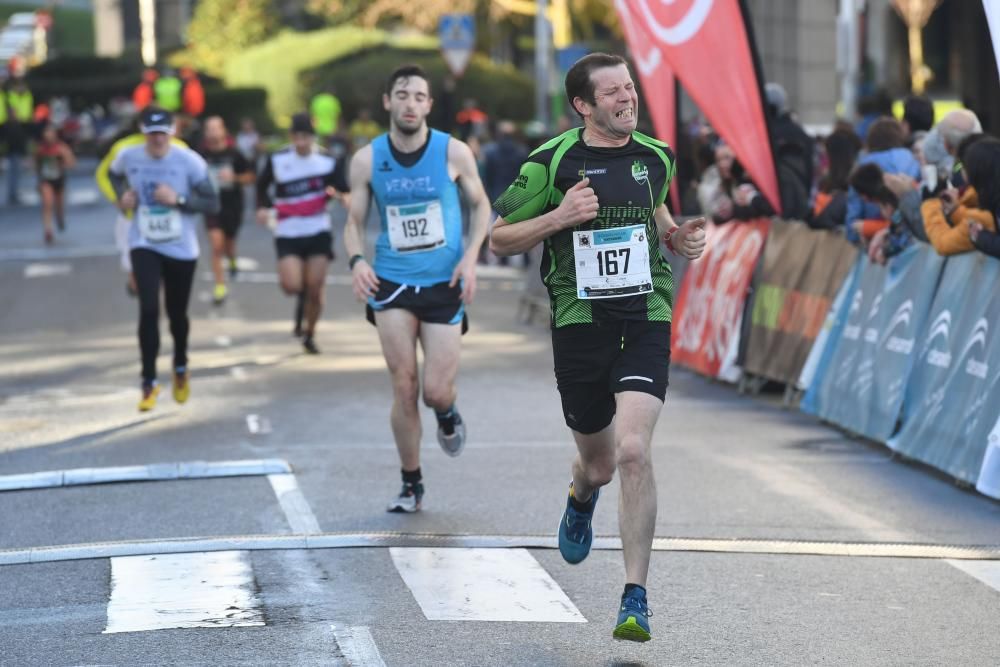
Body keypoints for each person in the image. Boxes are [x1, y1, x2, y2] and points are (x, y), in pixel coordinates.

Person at [489, 53, 707, 643]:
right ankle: (580, 494)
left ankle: (635, 595)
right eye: (612, 92)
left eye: (630, 88)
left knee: (634, 449)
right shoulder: (552, 161)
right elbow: (498, 235)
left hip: (644, 312)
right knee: (602, 463)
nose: (626, 98)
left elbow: (653, 204)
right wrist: (559, 217)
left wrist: (672, 235)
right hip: (580, 322)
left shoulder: (656, 156)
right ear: (584, 105)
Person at [342, 64, 490, 514]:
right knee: (404, 386)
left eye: (419, 96)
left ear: (428, 105)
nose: (410, 103)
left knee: (435, 391)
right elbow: (353, 222)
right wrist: (357, 261)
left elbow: (482, 206)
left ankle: (446, 413)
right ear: (388, 101)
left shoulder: (454, 152)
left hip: (444, 281)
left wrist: (470, 258)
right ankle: (411, 483)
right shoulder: (367, 159)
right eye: (402, 94)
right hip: (391, 282)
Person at [108, 107, 220, 411]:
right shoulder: (129, 156)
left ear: (172, 133)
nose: (157, 140)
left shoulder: (188, 161)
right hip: (144, 241)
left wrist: (179, 200)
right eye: (151, 134)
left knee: (177, 314)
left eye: (162, 133)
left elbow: (212, 202)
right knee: (148, 308)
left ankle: (180, 365)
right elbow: (113, 174)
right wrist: (123, 197)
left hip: (181, 247)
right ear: (142, 133)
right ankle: (148, 382)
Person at [256, 112, 349, 354]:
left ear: (313, 137)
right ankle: (301, 304)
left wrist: (343, 197)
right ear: (291, 137)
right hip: (287, 230)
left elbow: (343, 188)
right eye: (296, 137)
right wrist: (263, 208)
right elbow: (261, 186)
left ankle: (309, 333)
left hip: (317, 229)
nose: (301, 142)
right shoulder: (278, 159)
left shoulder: (328, 161)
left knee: (315, 287)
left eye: (305, 137)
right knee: (292, 285)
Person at [96, 117, 189, 297]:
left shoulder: (181, 149)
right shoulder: (124, 148)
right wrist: (118, 198)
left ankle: (156, 314)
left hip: (169, 219)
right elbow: (105, 175)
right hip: (134, 220)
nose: (158, 138)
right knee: (141, 279)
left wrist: (179, 199)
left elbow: (195, 185)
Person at [198, 116, 255, 304]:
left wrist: (234, 178)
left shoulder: (235, 154)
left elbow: (250, 177)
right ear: (205, 133)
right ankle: (220, 286)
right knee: (216, 246)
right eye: (209, 128)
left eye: (216, 128)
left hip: (232, 205)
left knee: (229, 243)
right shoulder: (199, 155)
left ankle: (231, 260)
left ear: (223, 131)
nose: (213, 132)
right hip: (211, 206)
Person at [33, 123, 75, 244]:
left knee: (59, 205)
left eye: (51, 133)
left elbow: (71, 163)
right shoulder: (41, 149)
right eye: (47, 134)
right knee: (47, 203)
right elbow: (35, 163)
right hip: (46, 179)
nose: (49, 136)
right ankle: (48, 230)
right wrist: (38, 176)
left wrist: (62, 164)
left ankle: (60, 218)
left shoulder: (61, 148)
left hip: (59, 179)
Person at [5, 77, 33, 205]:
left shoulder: (26, 96)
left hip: (21, 128)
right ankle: (13, 194)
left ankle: (14, 192)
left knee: (17, 170)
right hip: (14, 141)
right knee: (14, 170)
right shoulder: (11, 97)